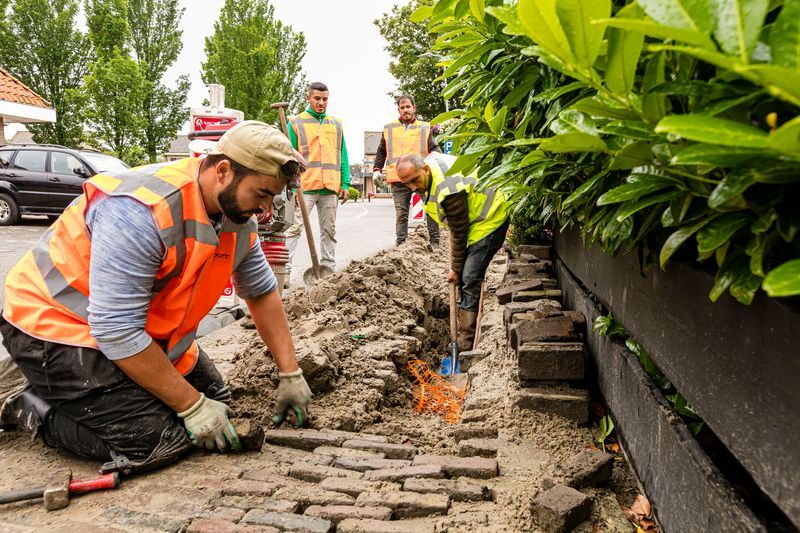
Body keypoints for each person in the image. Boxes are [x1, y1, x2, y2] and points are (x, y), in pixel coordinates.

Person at [0, 121, 312, 474]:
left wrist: (290, 371)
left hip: (135, 331)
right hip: (53, 326)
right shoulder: (140, 211)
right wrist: (191, 407)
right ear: (224, 171)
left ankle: (88, 392)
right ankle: (25, 402)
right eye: (261, 194)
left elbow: (260, 292)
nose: (266, 209)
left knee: (219, 406)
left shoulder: (235, 217)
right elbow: (116, 328)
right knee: (157, 438)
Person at [395, 152, 510, 350]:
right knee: (464, 276)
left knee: (469, 277)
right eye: (407, 184)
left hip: (490, 219)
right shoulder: (429, 169)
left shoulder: (448, 189)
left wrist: (455, 269)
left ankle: (465, 342)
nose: (413, 188)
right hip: (474, 222)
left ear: (426, 170)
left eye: (415, 181)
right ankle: (463, 319)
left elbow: (459, 231)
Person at [285, 82, 350, 279]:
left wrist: (345, 183)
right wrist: (293, 187)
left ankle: (328, 270)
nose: (321, 103)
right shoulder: (296, 123)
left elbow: (343, 156)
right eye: (317, 99)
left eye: (325, 99)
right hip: (304, 187)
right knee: (294, 229)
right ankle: (285, 271)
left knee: (329, 230)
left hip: (330, 187)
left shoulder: (336, 124)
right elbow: (289, 159)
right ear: (308, 98)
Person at [373, 95, 441, 247]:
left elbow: (434, 149)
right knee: (401, 214)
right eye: (402, 108)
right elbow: (381, 151)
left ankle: (435, 243)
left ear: (414, 108)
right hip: (398, 178)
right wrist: (377, 170)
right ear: (398, 110)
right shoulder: (389, 129)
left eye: (408, 107)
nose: (405, 110)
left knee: (431, 210)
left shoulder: (424, 127)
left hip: (420, 178)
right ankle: (401, 244)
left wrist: (439, 164)